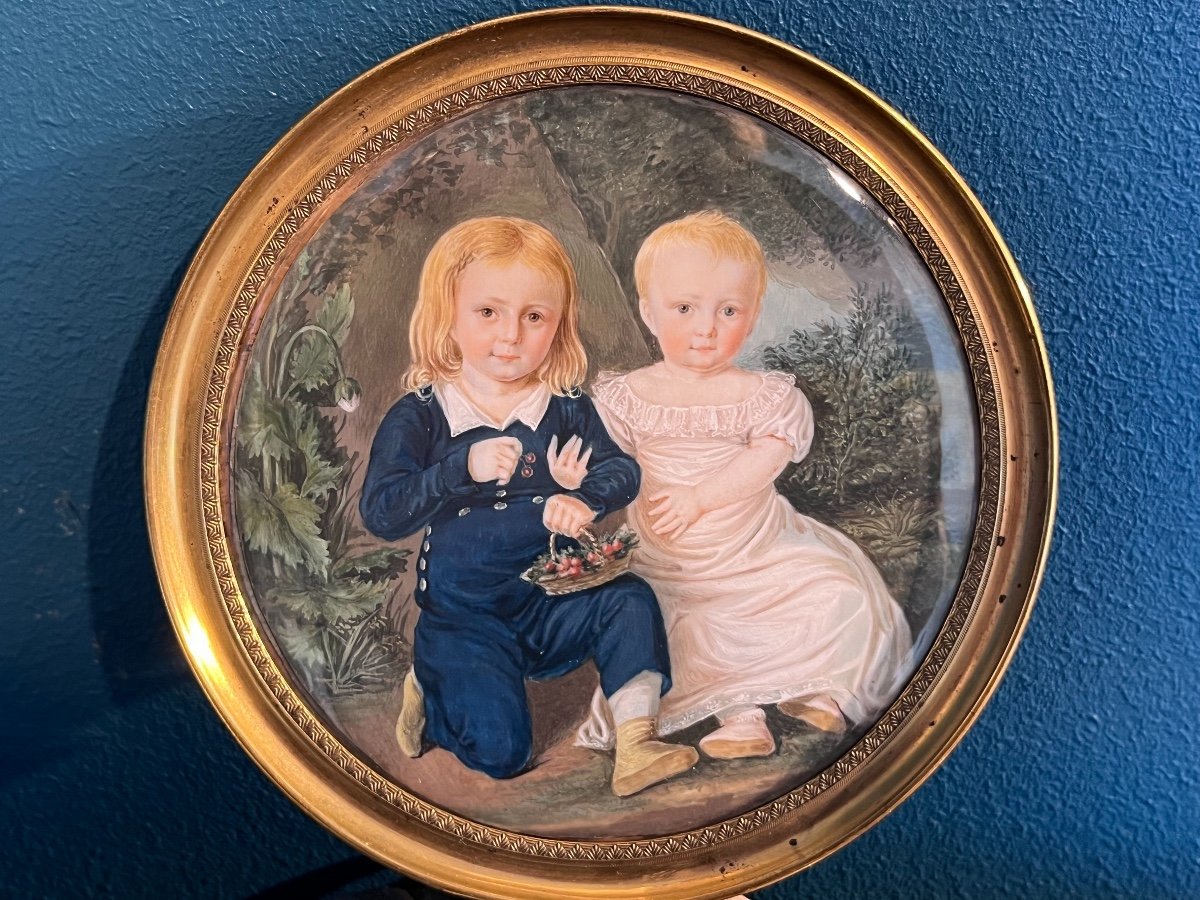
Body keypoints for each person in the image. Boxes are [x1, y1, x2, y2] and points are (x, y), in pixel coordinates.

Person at [359, 216, 697, 796]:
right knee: (503, 754)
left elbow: (623, 470)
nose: (511, 336)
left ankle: (636, 741)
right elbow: (384, 511)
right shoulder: (422, 414)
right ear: (448, 315)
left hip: (551, 604)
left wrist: (584, 497)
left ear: (559, 326)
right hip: (466, 616)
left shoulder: (564, 408)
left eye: (534, 317)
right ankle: (433, 687)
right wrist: (456, 470)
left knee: (628, 600)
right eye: (488, 313)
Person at [575, 211, 913, 760]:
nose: (706, 327)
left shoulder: (763, 395)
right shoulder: (625, 396)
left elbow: (769, 457)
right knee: (687, 629)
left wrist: (702, 497)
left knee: (833, 590)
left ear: (752, 318)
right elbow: (609, 465)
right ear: (648, 313)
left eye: (727, 311)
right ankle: (743, 718)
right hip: (674, 562)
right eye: (685, 309)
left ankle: (816, 688)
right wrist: (578, 485)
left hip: (760, 549)